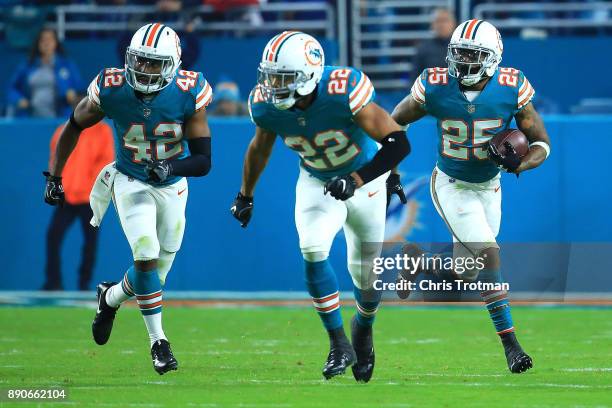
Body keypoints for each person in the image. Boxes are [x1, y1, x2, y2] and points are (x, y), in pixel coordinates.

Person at [231, 32, 411, 382]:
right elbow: (260, 148)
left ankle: (363, 329)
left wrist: (359, 180)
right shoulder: (265, 105)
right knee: (312, 248)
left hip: (365, 182)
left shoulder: (344, 89)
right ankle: (337, 342)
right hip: (317, 181)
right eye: (270, 76)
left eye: (282, 77)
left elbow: (397, 143)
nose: (273, 85)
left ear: (309, 74)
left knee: (366, 275)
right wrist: (245, 194)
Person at [43, 23, 213, 375]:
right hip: (129, 180)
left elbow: (203, 161)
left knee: (154, 274)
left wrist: (169, 166)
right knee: (146, 252)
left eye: (154, 63)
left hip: (172, 187)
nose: (145, 70)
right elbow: (73, 124)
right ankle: (159, 343)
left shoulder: (188, 91)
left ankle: (110, 297)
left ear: (173, 64)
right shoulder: (112, 87)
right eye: (141, 61)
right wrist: (55, 176)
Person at [392, 19, 551, 373]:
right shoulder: (435, 85)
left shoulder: (511, 87)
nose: (462, 63)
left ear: (493, 58)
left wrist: (519, 165)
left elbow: (541, 145)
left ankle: (417, 263)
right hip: (451, 183)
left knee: (468, 271)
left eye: (472, 55)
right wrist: (393, 170)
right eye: (458, 54)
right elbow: (395, 121)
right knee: (489, 254)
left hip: (490, 186)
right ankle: (512, 346)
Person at [43, 121, 115, 291]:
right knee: (53, 237)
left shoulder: (103, 131)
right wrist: (58, 184)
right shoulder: (62, 129)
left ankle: (83, 285)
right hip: (66, 196)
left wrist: (92, 189)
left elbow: (105, 162)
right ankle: (54, 283)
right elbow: (55, 158)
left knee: (90, 243)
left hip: (89, 198)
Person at [7, 28, 83, 118]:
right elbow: (11, 88)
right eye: (43, 40)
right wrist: (18, 99)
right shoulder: (28, 65)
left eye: (50, 40)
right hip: (31, 117)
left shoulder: (66, 65)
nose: (46, 43)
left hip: (60, 118)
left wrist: (72, 93)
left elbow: (80, 88)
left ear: (56, 43)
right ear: (38, 44)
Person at [412, 8, 456, 80]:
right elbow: (414, 79)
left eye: (445, 20)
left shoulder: (461, 49)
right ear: (432, 24)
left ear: (453, 23)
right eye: (438, 21)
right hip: (429, 90)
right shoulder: (423, 49)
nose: (441, 25)